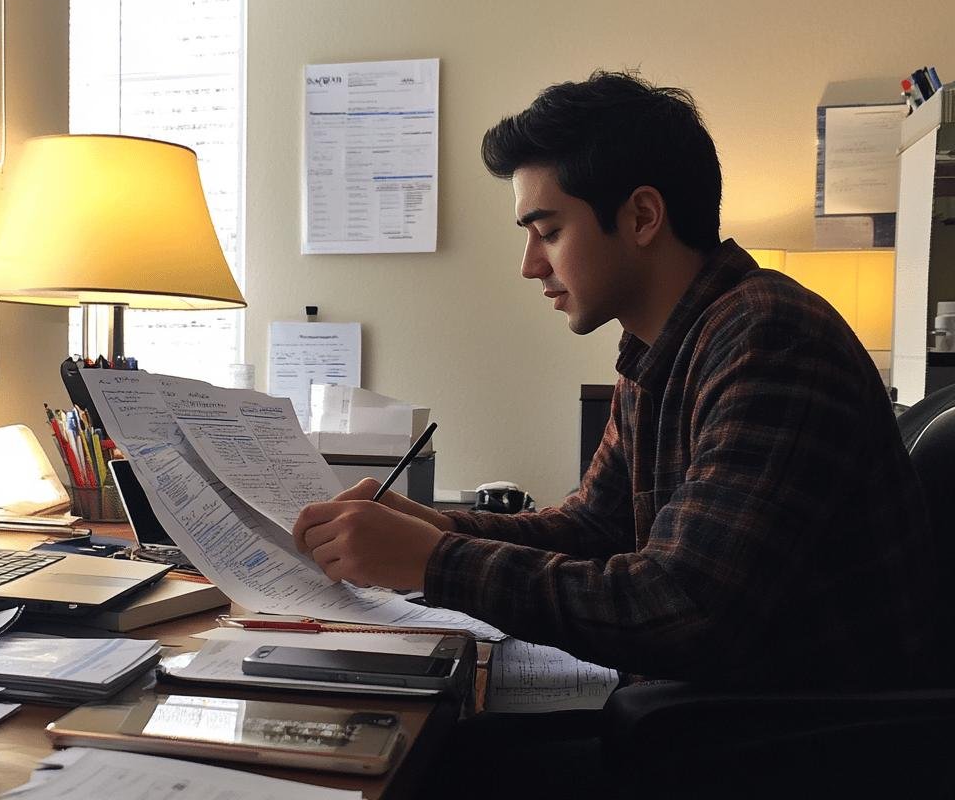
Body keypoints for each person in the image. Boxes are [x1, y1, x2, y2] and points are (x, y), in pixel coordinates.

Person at [292, 71, 938, 689]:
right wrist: (436, 529)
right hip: (716, 717)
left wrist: (431, 561)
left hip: (784, 744)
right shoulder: (663, 345)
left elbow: (684, 608)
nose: (529, 264)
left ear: (641, 217)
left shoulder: (770, 340)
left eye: (547, 230)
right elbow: (593, 529)